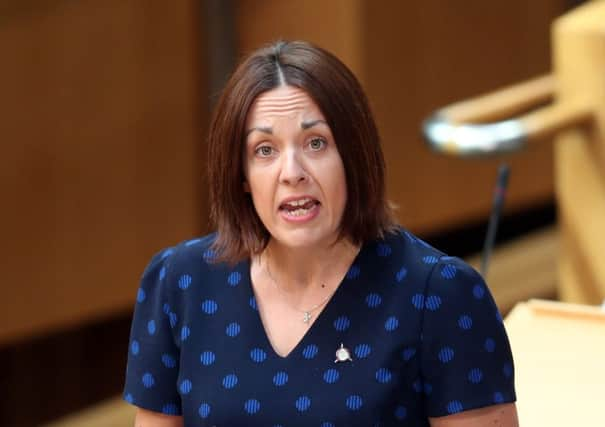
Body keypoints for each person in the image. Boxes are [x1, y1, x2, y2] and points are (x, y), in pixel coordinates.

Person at [123, 40, 518, 426]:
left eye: (316, 143)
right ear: (241, 175)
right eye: (264, 150)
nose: (292, 172)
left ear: (354, 157)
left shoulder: (440, 295)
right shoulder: (181, 282)